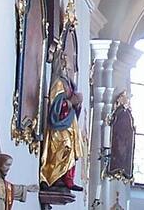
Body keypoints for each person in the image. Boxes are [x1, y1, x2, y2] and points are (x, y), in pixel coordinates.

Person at [39, 52, 85, 191]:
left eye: (67, 64)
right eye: (64, 63)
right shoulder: (58, 82)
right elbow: (55, 104)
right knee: (63, 147)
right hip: (59, 124)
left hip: (70, 123)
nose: (67, 66)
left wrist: (78, 103)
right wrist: (70, 102)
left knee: (71, 150)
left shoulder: (69, 83)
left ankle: (68, 179)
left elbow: (73, 102)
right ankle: (55, 178)